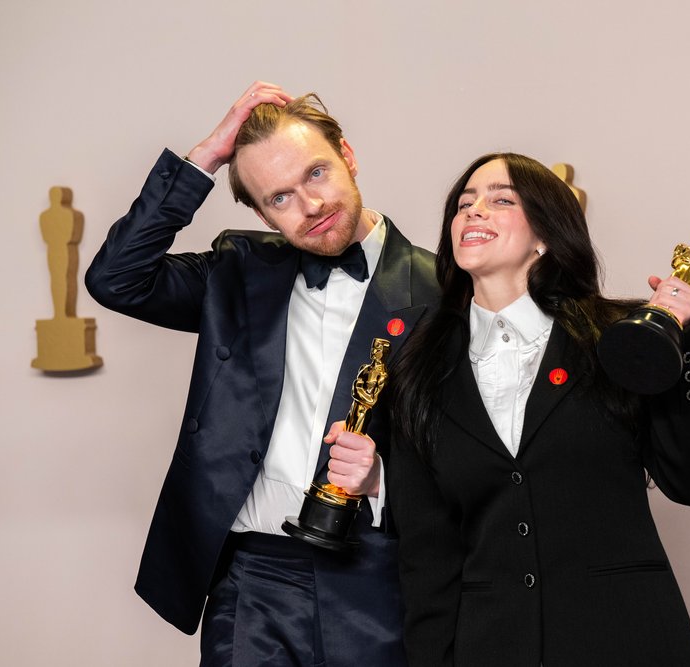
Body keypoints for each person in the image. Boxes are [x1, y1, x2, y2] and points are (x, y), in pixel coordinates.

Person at [85, 81, 438, 666]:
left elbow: (480, 458)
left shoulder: (446, 291)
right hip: (251, 579)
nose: (310, 205)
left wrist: (385, 478)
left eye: (317, 174)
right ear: (257, 211)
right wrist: (205, 159)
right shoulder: (237, 271)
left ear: (347, 155)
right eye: (279, 198)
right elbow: (115, 279)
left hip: (381, 575)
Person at [384, 153, 690, 666]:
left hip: (629, 640)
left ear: (546, 234)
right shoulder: (417, 366)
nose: (473, 212)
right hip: (491, 647)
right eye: (464, 204)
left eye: (501, 200)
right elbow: (427, 552)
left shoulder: (620, 336)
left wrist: (681, 347)